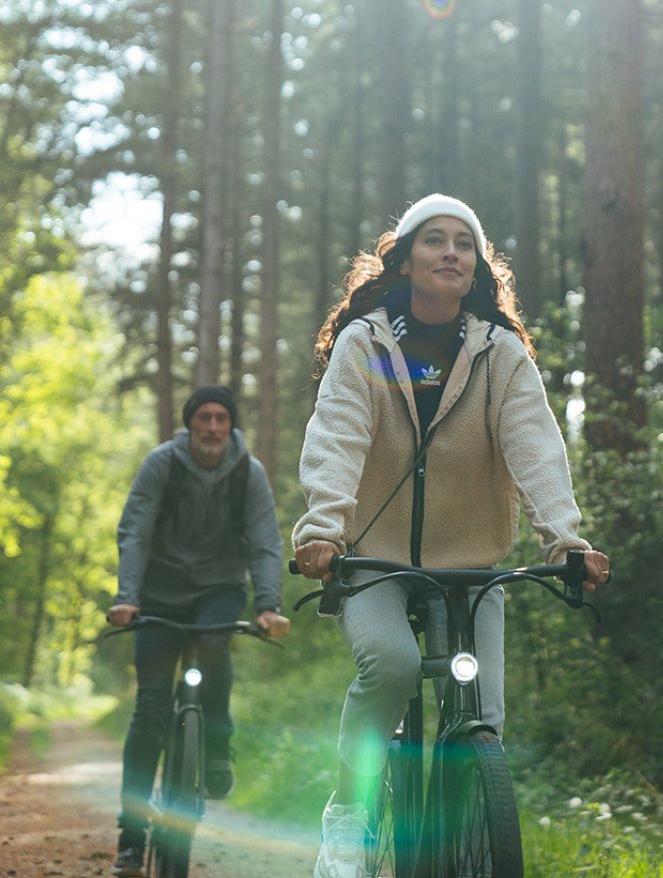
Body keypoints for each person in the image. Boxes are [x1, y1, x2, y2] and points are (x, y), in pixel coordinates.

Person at [293, 193, 610, 878]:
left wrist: (566, 542)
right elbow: (339, 434)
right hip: (373, 561)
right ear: (404, 259)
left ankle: (460, 840)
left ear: (477, 265)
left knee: (481, 719)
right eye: (435, 240)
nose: (451, 252)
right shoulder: (367, 342)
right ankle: (348, 816)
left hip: (470, 567)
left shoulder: (499, 353)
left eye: (464, 243)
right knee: (393, 665)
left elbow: (536, 448)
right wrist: (323, 529)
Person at [107, 384, 289, 878]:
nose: (212, 427)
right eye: (203, 418)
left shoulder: (247, 473)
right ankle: (131, 840)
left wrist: (269, 606)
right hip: (159, 594)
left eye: (220, 419)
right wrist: (127, 597)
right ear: (189, 424)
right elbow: (136, 529)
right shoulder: (161, 464)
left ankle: (216, 749)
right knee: (148, 715)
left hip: (218, 591)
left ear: (231, 426)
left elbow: (265, 543)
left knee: (214, 645)